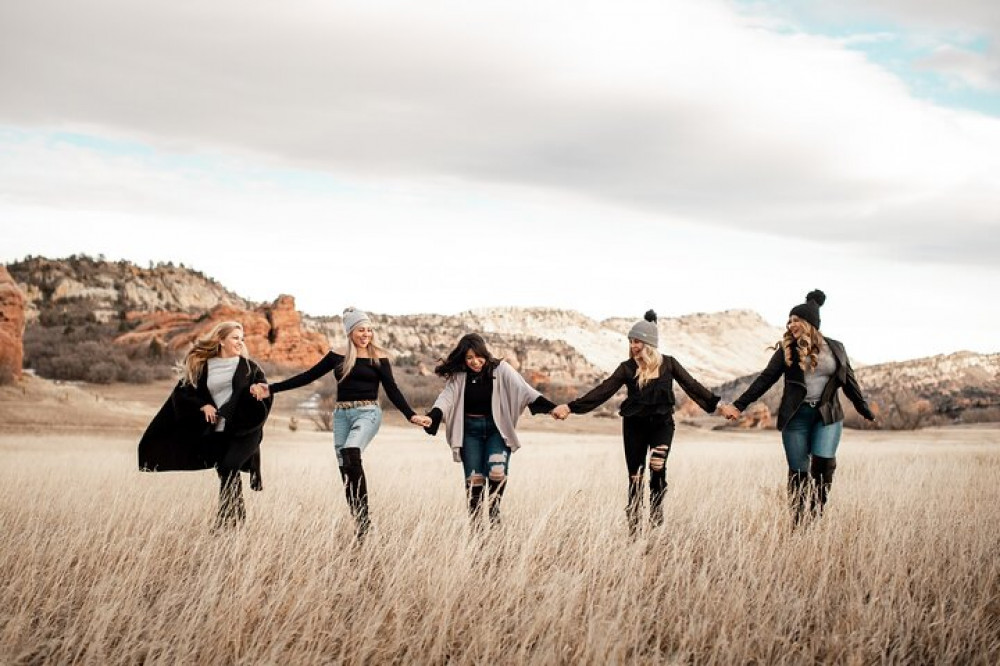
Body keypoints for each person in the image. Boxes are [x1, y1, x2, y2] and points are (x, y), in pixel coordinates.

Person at [250, 307, 430, 541]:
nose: (366, 334)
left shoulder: (379, 358)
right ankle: (362, 526)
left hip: (368, 413)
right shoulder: (337, 356)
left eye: (369, 330)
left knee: (350, 452)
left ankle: (365, 523)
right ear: (350, 332)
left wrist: (410, 415)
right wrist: (271, 388)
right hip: (342, 416)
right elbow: (308, 376)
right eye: (360, 330)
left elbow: (392, 390)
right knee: (346, 469)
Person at [552, 311, 720, 534]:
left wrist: (717, 405)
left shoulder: (669, 364)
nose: (633, 346)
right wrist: (571, 407)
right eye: (631, 341)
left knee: (657, 465)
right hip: (634, 426)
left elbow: (692, 385)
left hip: (662, 424)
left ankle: (656, 514)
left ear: (649, 343)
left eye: (637, 341)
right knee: (636, 477)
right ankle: (634, 526)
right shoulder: (627, 368)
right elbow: (603, 390)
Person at [719, 290, 876, 526]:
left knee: (823, 465)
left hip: (827, 415)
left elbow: (849, 381)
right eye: (789, 320)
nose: (791, 324)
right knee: (799, 472)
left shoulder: (836, 348)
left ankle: (816, 512)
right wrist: (739, 405)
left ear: (810, 323)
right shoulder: (787, 351)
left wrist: (863, 408)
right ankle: (798, 522)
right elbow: (765, 380)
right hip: (796, 418)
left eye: (796, 320)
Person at [138, 321, 272, 531]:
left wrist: (257, 391)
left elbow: (266, 396)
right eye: (235, 337)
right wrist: (203, 405)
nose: (240, 342)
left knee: (229, 466)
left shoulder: (250, 368)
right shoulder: (203, 367)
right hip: (218, 431)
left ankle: (224, 523)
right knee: (226, 472)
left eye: (241, 338)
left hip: (245, 432)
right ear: (221, 340)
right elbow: (182, 393)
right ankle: (235, 522)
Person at [424, 333, 557, 528]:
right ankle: (476, 528)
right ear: (463, 359)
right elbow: (446, 398)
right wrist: (432, 416)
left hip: (497, 429)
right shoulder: (459, 375)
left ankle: (494, 514)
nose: (475, 362)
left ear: (485, 353)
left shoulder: (501, 369)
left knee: (497, 470)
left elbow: (525, 390)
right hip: (469, 431)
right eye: (469, 358)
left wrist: (552, 408)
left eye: (478, 356)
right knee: (474, 480)